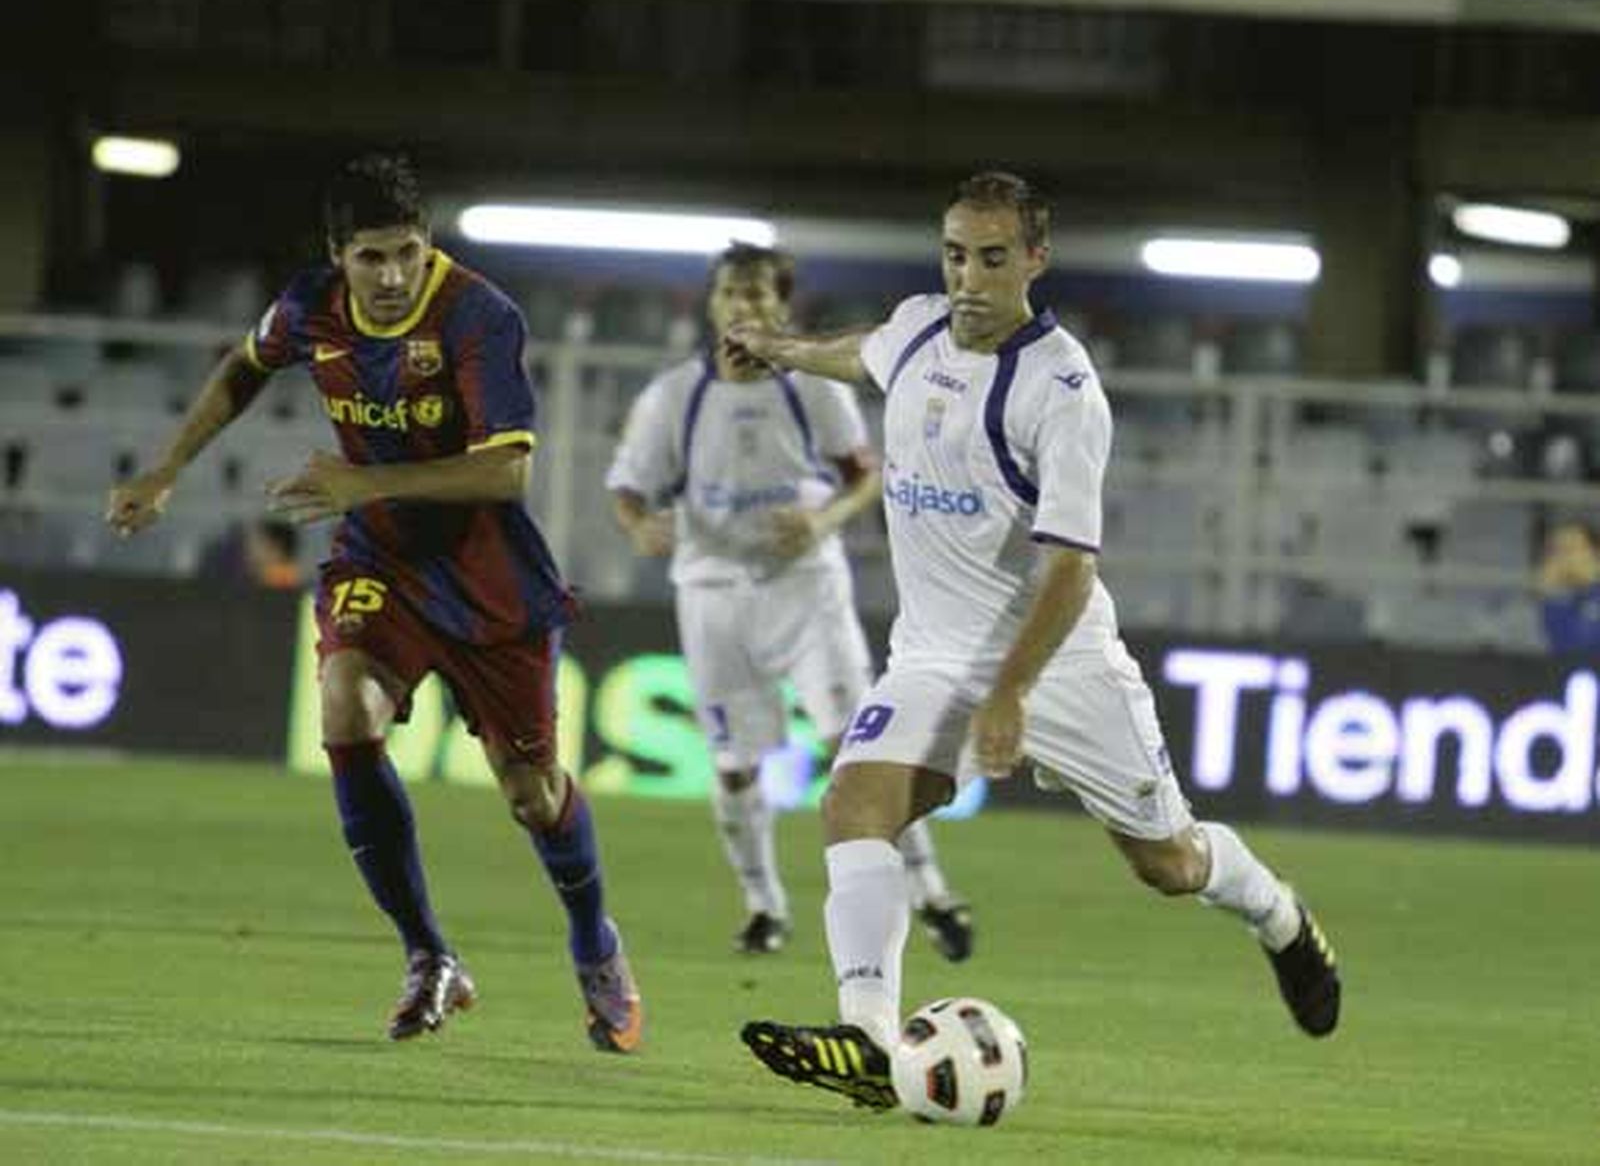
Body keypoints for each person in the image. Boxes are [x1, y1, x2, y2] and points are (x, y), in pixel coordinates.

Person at [725, 172, 1341, 1111]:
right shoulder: (921, 327)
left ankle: (1281, 916)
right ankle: (870, 1042)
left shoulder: (1062, 390)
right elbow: (866, 355)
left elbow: (1070, 569)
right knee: (855, 805)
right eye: (956, 255)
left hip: (1059, 663)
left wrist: (1011, 692)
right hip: (934, 657)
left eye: (993, 258)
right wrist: (781, 349)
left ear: (1036, 261)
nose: (969, 277)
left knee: (1168, 865)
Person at [105, 153, 643, 1053]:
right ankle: (429, 954)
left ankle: (594, 940)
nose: (391, 276)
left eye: (406, 252)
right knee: (346, 708)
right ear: (337, 255)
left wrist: (366, 480)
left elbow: (508, 470)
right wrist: (167, 467)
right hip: (380, 561)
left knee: (531, 795)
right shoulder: (310, 304)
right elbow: (244, 365)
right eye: (371, 258)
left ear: (427, 244)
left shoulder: (478, 314)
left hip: (488, 575)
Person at [606, 243, 973, 960]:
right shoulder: (673, 397)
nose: (744, 308)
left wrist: (819, 521)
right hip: (713, 592)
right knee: (734, 763)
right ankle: (763, 905)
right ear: (712, 305)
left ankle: (931, 891)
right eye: (731, 295)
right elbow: (628, 485)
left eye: (758, 295)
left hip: (807, 588)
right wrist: (637, 523)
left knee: (861, 745)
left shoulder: (813, 389)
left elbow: (865, 477)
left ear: (781, 306)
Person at [1535, 518, 1600, 654]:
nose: (1563, 557)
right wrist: (1552, 596)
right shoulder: (1555, 599)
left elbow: (1578, 648)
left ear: (1595, 552)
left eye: (1571, 549)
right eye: (1556, 551)